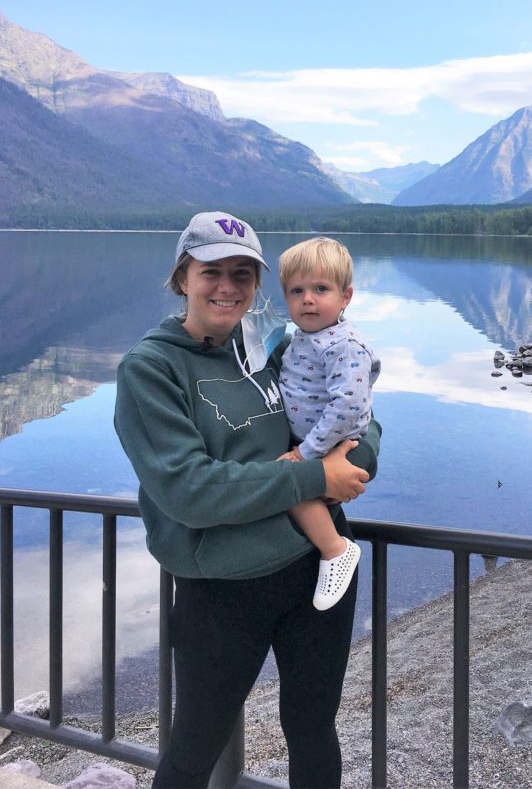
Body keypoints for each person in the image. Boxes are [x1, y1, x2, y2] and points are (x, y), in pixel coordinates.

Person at [114, 211, 380, 789]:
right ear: (183, 275)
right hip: (224, 589)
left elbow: (358, 421)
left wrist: (350, 464)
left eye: (243, 273)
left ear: (258, 286)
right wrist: (315, 479)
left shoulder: (276, 345)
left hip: (318, 569)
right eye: (212, 271)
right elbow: (189, 490)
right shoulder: (151, 368)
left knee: (312, 729)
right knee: (194, 747)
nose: (228, 286)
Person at [276, 237, 381, 610]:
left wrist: (307, 454)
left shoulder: (342, 344)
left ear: (346, 296)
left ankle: (335, 549)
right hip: (316, 439)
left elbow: (348, 406)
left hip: (331, 444)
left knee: (295, 490)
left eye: (321, 289)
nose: (308, 299)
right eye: (297, 290)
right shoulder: (310, 337)